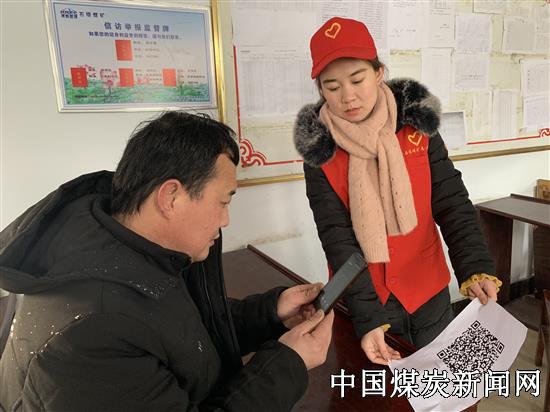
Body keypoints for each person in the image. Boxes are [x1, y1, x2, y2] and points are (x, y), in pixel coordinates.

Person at [0, 111, 334, 411]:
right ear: (171, 197)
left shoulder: (128, 249)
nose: (226, 220)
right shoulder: (93, 332)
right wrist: (289, 364)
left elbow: (184, 330)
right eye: (223, 202)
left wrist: (271, 313)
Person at [293, 17, 501, 365]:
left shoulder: (417, 127)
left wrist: (475, 266)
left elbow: (452, 202)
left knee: (440, 381)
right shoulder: (320, 152)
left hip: (428, 291)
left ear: (378, 73)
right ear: (321, 90)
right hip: (365, 296)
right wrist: (367, 317)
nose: (348, 96)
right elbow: (337, 238)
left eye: (357, 79)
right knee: (380, 388)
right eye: (332, 86)